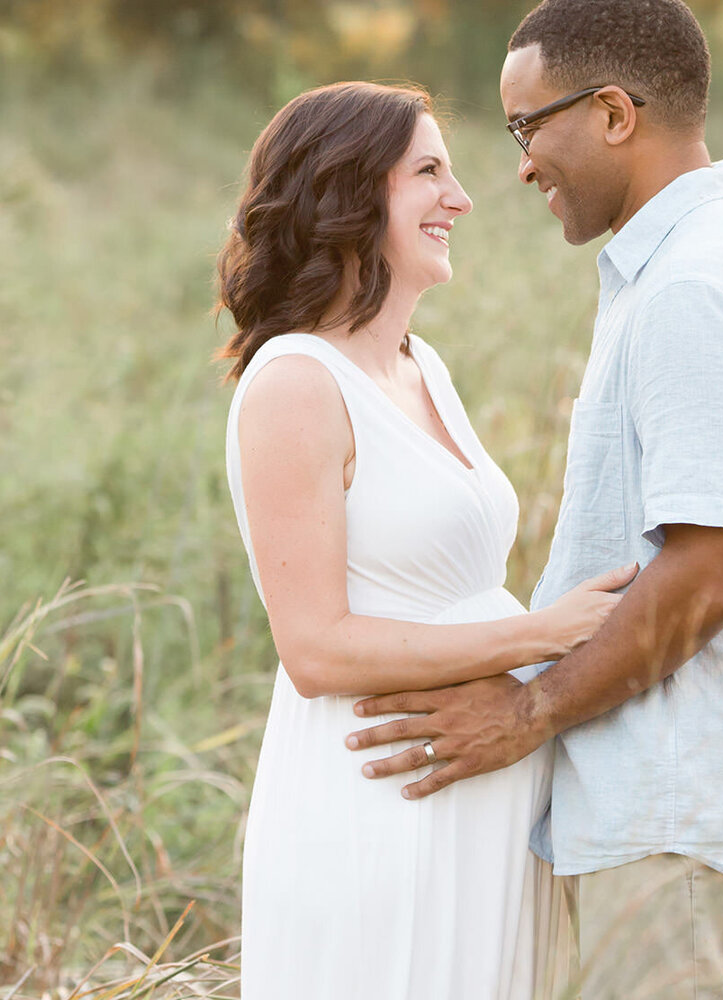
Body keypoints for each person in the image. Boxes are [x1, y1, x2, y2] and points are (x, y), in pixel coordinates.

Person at [348, 0, 723, 1000]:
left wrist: (529, 715)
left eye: (527, 126)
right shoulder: (687, 270)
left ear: (615, 114)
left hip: (680, 816)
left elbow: (717, 568)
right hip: (664, 817)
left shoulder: (695, 289)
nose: (522, 167)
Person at [216, 80, 635, 1000]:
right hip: (378, 799)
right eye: (430, 173)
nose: (463, 198)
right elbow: (316, 646)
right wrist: (543, 635)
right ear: (349, 192)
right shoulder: (296, 383)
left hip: (478, 794)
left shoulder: (422, 365)